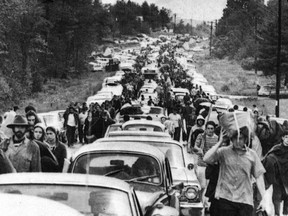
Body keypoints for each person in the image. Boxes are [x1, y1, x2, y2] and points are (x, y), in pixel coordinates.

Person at [203, 126, 267, 216]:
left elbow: (259, 176)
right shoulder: (223, 152)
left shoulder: (252, 155)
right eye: (234, 138)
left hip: (244, 200)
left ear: (245, 139)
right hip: (225, 198)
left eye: (240, 138)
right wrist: (220, 142)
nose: (237, 141)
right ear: (231, 139)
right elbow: (206, 158)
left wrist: (264, 198)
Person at [262, 132, 288, 216]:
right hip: (278, 177)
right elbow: (268, 158)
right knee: (277, 197)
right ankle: (277, 214)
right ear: (283, 138)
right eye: (286, 137)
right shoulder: (277, 148)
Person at [193, 121, 218, 208]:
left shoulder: (217, 138)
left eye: (212, 128)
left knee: (209, 186)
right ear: (205, 129)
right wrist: (199, 149)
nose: (210, 130)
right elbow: (195, 146)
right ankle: (199, 200)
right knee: (202, 186)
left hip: (211, 165)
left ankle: (206, 205)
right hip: (202, 164)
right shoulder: (201, 136)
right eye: (208, 128)